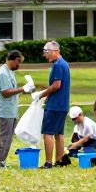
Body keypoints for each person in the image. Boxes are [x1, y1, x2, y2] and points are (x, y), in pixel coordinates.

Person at [0, 50, 34, 167]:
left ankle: (2, 161)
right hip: (5, 112)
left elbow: (13, 90)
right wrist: (23, 88)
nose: (19, 65)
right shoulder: (2, 73)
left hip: (12, 111)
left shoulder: (10, 72)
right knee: (4, 138)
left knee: (9, 138)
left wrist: (27, 91)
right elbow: (5, 93)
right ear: (13, 59)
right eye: (18, 62)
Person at [36, 40, 71, 168]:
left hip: (55, 105)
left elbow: (56, 86)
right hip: (63, 105)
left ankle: (48, 162)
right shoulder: (64, 64)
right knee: (59, 134)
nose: (44, 55)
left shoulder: (57, 65)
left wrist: (41, 94)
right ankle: (60, 159)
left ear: (55, 51)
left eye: (46, 52)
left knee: (47, 133)